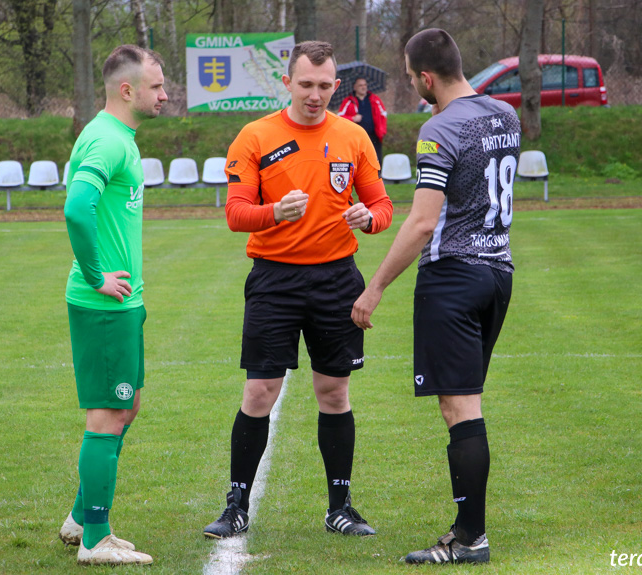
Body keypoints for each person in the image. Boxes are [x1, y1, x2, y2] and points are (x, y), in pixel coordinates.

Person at [202, 40, 393, 540]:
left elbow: (383, 206)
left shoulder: (353, 137)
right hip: (274, 280)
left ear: (336, 84)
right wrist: (274, 213)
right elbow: (235, 213)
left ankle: (341, 507)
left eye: (325, 85)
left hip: (336, 280)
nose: (315, 95)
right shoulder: (255, 135)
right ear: (286, 83)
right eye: (306, 84)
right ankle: (236, 504)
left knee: (334, 392)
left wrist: (368, 218)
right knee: (260, 390)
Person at [351, 28, 520, 565]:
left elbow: (423, 223)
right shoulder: (506, 115)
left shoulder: (438, 129)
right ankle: (468, 530)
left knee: (460, 408)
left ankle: (471, 539)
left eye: (408, 77)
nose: (410, 85)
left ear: (426, 78)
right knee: (465, 402)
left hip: (453, 277)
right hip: (498, 274)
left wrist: (373, 288)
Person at [58, 44, 167, 566]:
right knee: (107, 414)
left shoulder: (116, 136)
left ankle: (81, 516)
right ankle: (95, 539)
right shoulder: (107, 139)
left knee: (127, 406)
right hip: (105, 306)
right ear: (128, 90)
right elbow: (77, 209)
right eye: (157, 86)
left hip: (124, 305)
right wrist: (98, 276)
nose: (165, 95)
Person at [338, 77, 388, 166]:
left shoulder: (374, 99)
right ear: (355, 87)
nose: (363, 87)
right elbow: (339, 117)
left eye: (365, 85)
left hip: (374, 136)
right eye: (360, 85)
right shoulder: (348, 101)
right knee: (358, 160)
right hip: (356, 137)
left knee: (376, 160)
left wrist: (382, 131)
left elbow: (383, 114)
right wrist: (353, 118)